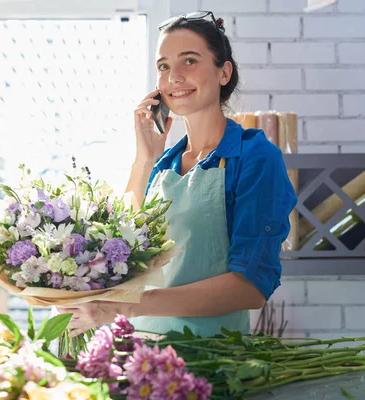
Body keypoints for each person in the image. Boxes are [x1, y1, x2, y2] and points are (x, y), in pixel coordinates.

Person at [59, 11, 297, 338]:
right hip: (137, 352)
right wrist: (144, 159)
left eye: (189, 61)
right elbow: (120, 252)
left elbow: (250, 288)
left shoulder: (253, 158)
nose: (173, 77)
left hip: (211, 361)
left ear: (224, 72)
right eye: (163, 66)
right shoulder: (163, 166)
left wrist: (125, 306)